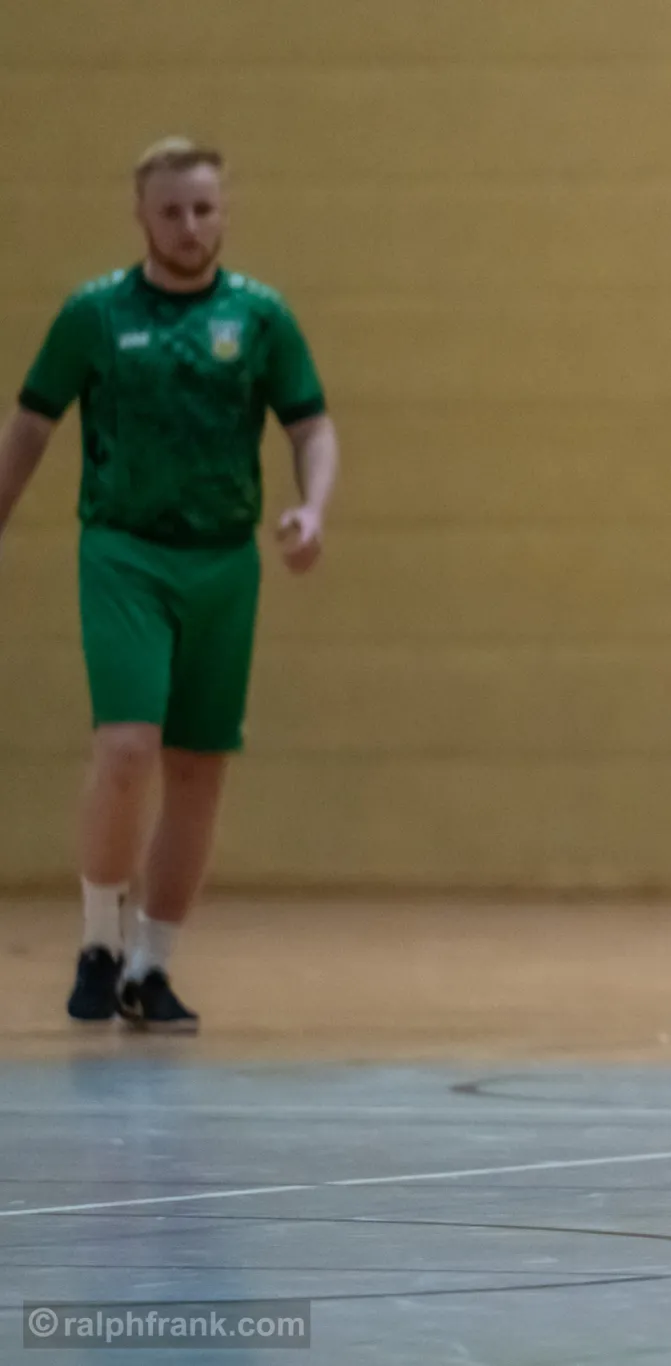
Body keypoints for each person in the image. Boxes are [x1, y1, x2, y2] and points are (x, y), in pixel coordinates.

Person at [0, 137, 338, 1032]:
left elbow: (311, 424)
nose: (190, 226)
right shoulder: (95, 314)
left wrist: (313, 509)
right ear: (141, 217)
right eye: (172, 211)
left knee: (197, 766)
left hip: (224, 562)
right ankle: (97, 941)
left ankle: (152, 965)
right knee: (125, 748)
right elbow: (31, 422)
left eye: (204, 209)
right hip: (125, 553)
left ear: (224, 213)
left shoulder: (259, 316)